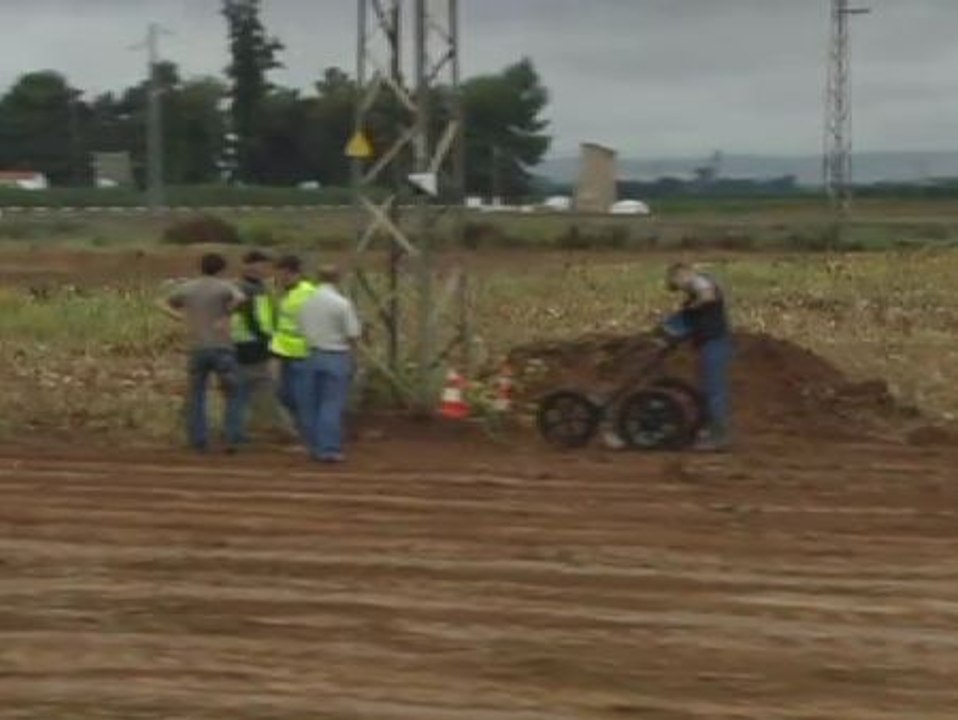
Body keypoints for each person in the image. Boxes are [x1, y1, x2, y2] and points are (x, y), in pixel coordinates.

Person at [159, 252, 245, 453]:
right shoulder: (225, 286)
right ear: (221, 269)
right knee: (232, 393)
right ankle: (232, 438)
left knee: (197, 395)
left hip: (197, 347)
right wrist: (226, 314)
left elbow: (160, 303)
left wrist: (178, 317)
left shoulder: (187, 288)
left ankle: (199, 440)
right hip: (222, 347)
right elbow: (241, 298)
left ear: (201, 268)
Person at [658, 262, 732, 452]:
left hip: (715, 342)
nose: (680, 289)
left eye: (677, 284)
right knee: (707, 388)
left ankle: (719, 436)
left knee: (713, 389)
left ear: (680, 275)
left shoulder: (699, 281)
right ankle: (708, 430)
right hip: (708, 343)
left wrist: (691, 308)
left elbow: (707, 296)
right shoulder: (695, 291)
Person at [298, 265, 362, 463]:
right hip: (335, 354)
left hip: (311, 354)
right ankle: (329, 448)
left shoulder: (306, 303)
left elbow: (301, 329)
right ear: (337, 279)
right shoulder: (341, 303)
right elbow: (352, 334)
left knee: (312, 404)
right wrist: (355, 358)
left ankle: (314, 446)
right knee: (331, 404)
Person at [231, 250, 290, 443]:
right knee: (262, 389)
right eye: (261, 265)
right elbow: (252, 319)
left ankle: (237, 431)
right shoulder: (244, 289)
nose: (264, 269)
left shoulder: (259, 288)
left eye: (265, 266)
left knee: (244, 391)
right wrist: (267, 341)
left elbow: (265, 317)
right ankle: (282, 429)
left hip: (251, 345)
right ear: (249, 266)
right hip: (249, 345)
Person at [269, 254, 316, 439]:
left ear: (291, 273)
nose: (279, 278)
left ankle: (308, 435)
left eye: (282, 274)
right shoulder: (285, 292)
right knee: (284, 394)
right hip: (284, 351)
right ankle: (302, 429)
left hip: (302, 352)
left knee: (301, 396)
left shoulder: (308, 292)